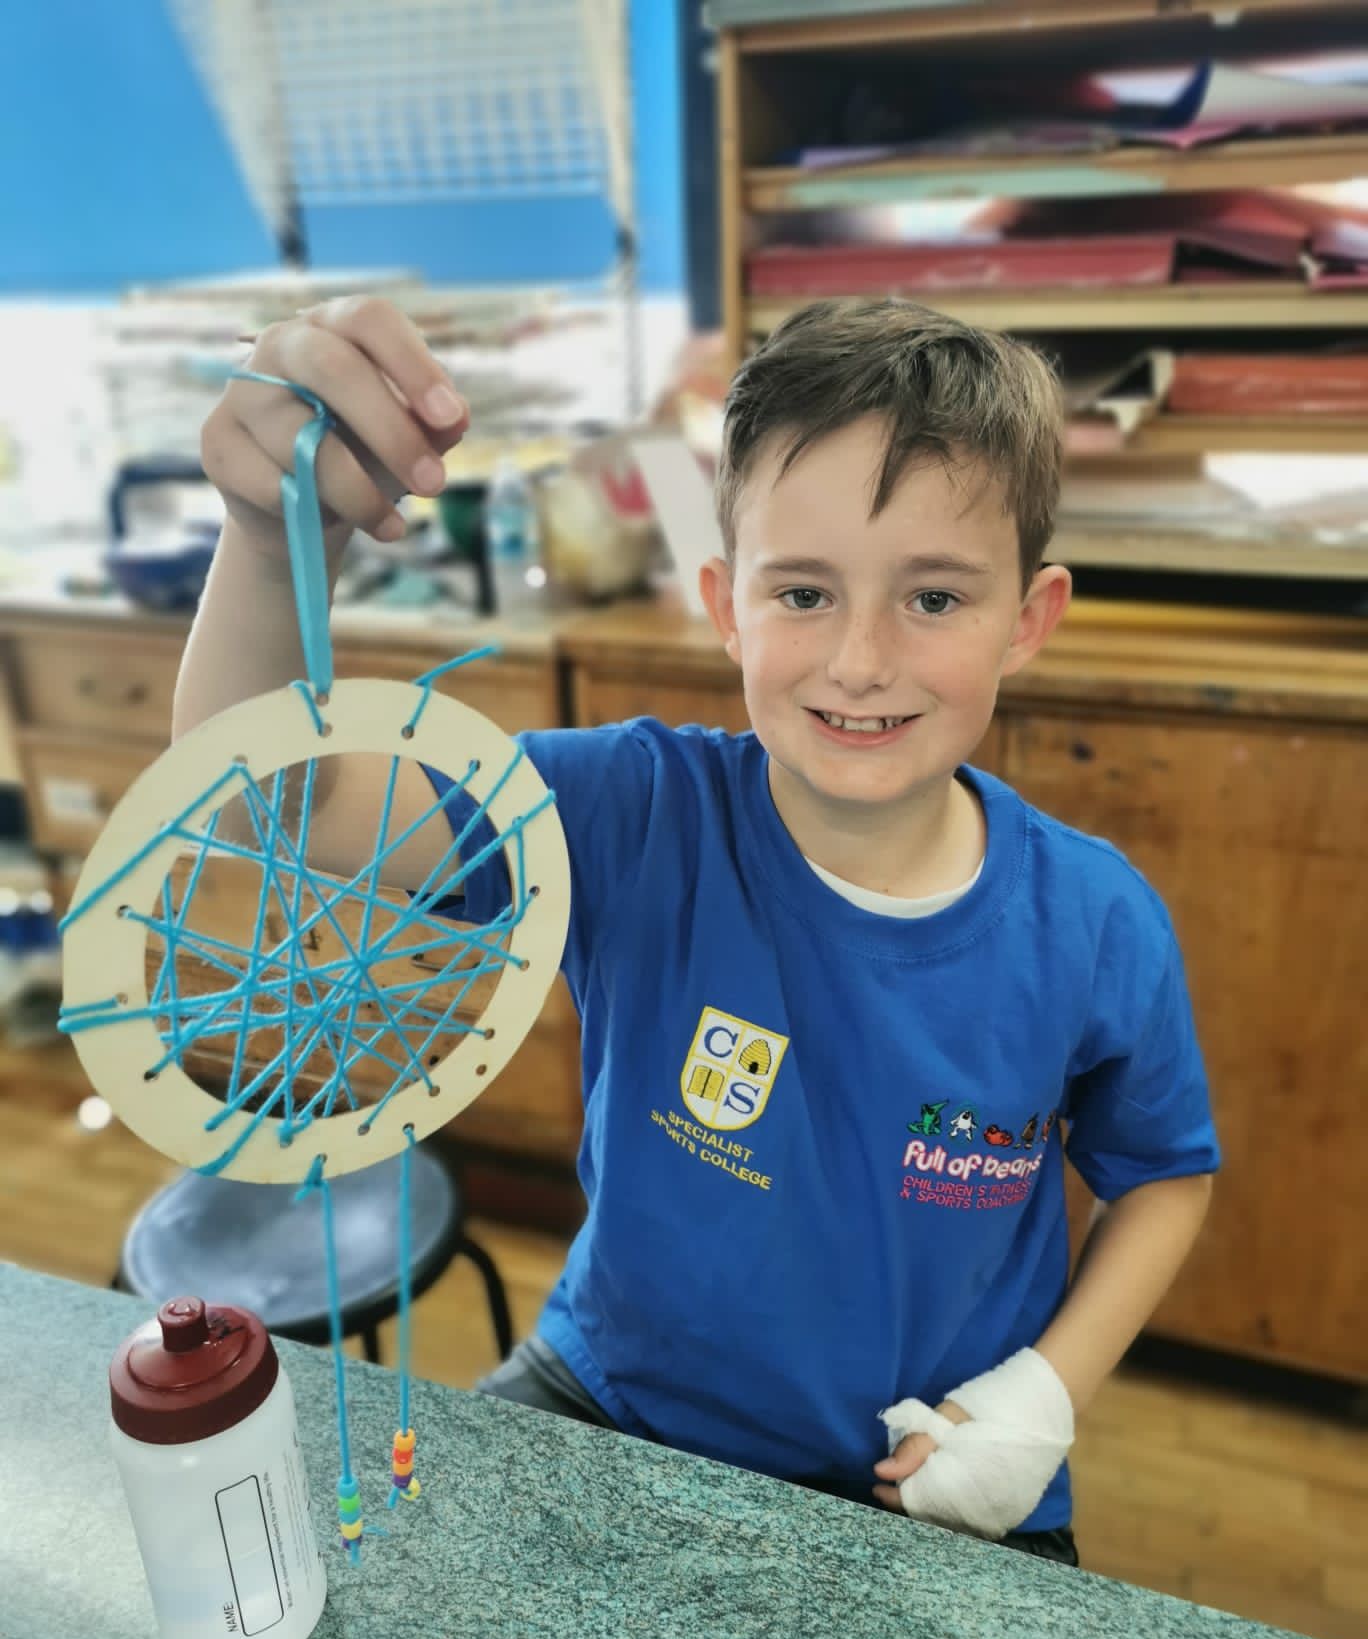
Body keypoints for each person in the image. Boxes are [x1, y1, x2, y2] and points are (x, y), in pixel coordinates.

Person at [181, 295, 1220, 1566]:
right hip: (611, 1400)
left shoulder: (1097, 922)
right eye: (805, 592)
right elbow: (272, 802)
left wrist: (1042, 1398)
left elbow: (1163, 1172)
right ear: (728, 606)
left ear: (1030, 619)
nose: (860, 660)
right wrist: (266, 537)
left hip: (926, 1468)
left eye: (936, 597)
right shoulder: (629, 812)